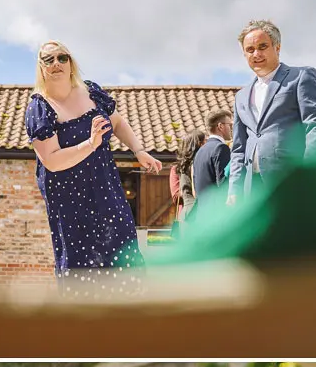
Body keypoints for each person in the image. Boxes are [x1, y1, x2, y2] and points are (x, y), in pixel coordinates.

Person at [24, 41, 163, 281]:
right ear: (41, 67)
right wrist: (90, 144)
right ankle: (84, 316)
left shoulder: (91, 92)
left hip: (105, 186)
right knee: (82, 262)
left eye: (62, 57)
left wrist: (138, 150)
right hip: (68, 197)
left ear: (71, 63)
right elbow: (51, 161)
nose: (56, 63)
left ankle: (129, 313)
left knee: (122, 250)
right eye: (48, 59)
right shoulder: (40, 107)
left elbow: (117, 123)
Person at [227, 19, 316, 202]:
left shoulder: (301, 77)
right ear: (244, 54)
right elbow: (238, 148)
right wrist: (234, 190)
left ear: (277, 47)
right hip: (253, 190)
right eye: (250, 50)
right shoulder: (241, 96)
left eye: (263, 46)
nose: (256, 53)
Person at [192, 108, 233, 210]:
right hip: (218, 214)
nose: (231, 128)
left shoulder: (200, 152)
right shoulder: (221, 148)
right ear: (220, 126)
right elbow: (224, 185)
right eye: (230, 125)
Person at [173, 127, 205, 222]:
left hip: (185, 213)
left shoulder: (183, 165)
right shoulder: (195, 164)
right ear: (200, 144)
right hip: (194, 214)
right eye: (205, 141)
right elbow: (196, 193)